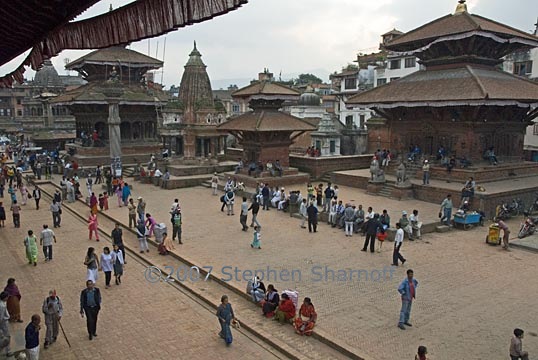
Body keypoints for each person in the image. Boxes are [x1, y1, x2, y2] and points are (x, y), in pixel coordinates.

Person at [0, 292, 12, 358]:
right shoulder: (2, 305)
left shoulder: (2, 303)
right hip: (3, 323)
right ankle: (8, 351)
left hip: (3, 322)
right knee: (7, 336)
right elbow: (1, 317)